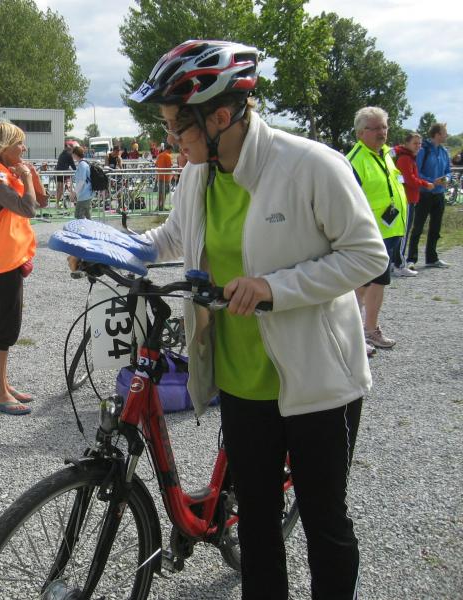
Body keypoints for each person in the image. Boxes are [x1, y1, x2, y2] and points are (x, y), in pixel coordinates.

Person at [128, 40, 387, 600]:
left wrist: (276, 288)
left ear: (221, 117)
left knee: (324, 522)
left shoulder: (311, 165)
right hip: (242, 380)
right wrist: (114, 249)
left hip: (317, 384)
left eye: (178, 125)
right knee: (258, 525)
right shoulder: (199, 174)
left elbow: (368, 256)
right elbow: (173, 235)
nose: (171, 139)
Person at [0, 121, 47, 415]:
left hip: (12, 257)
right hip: (0, 260)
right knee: (6, 326)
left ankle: (3, 384)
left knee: (10, 323)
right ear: (4, 147)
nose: (24, 148)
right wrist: (26, 178)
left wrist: (32, 176)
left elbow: (41, 201)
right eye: (19, 143)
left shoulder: (8, 174)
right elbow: (27, 208)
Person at [347, 107, 409, 350]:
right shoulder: (355, 160)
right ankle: (351, 335)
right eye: (375, 128)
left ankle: (370, 330)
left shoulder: (385, 154)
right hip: (367, 236)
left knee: (379, 282)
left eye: (384, 127)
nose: (382, 132)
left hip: (389, 231)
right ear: (360, 132)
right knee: (360, 286)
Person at [406, 122, 453, 269]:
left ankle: (432, 258)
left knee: (435, 228)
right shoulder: (423, 150)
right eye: (444, 132)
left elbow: (448, 170)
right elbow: (417, 172)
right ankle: (411, 259)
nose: (447, 135)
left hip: (439, 194)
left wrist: (447, 179)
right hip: (424, 194)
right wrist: (432, 181)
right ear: (437, 134)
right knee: (418, 227)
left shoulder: (444, 151)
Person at [393, 132, 434, 276]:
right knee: (403, 233)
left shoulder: (409, 157)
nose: (418, 146)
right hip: (406, 199)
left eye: (420, 143)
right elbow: (409, 179)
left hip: (408, 199)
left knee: (401, 232)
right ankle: (399, 265)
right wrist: (425, 184)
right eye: (415, 143)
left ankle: (394, 263)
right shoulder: (405, 158)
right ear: (407, 144)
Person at [71, 145, 92, 219]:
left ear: (75, 154)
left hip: (84, 194)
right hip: (87, 194)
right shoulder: (84, 164)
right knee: (87, 217)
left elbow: (82, 181)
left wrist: (74, 193)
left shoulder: (82, 165)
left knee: (78, 216)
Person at [54, 141, 76, 209]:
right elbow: (73, 166)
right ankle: (57, 204)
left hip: (58, 172)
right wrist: (77, 171)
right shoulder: (68, 155)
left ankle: (57, 203)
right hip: (62, 173)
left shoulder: (62, 153)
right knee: (61, 189)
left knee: (59, 189)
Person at [155, 143, 173, 211]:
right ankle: (162, 206)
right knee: (164, 192)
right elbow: (169, 167)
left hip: (160, 176)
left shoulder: (159, 155)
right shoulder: (168, 156)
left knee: (160, 192)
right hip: (166, 177)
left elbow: (156, 165)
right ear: (170, 149)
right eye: (171, 150)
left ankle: (158, 206)